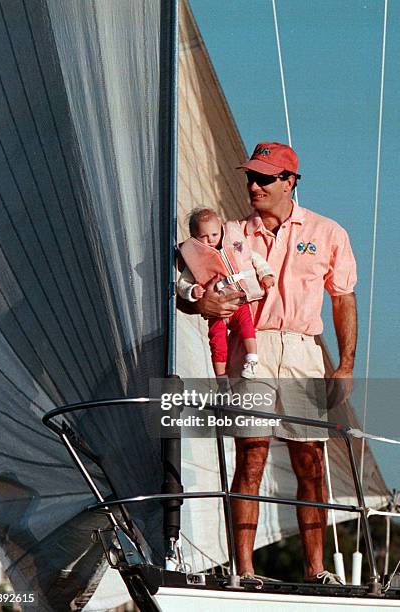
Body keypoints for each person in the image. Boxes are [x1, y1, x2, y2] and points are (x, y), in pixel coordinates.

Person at [194, 142, 357, 584]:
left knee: (311, 460)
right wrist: (200, 301)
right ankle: (243, 570)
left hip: (304, 348)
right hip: (252, 348)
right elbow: (190, 286)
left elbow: (342, 298)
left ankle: (317, 570)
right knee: (251, 456)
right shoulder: (227, 233)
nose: (254, 185)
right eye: (250, 176)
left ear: (290, 182)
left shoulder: (328, 232)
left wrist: (344, 366)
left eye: (265, 177)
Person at [177, 207, 275, 380]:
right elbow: (182, 284)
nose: (210, 240)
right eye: (203, 237)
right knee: (217, 342)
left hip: (239, 301)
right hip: (216, 311)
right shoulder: (194, 259)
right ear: (193, 237)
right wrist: (192, 291)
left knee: (247, 328)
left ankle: (252, 359)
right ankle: (221, 379)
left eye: (214, 235)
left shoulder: (234, 244)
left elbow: (255, 259)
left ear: (221, 229)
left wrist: (266, 274)